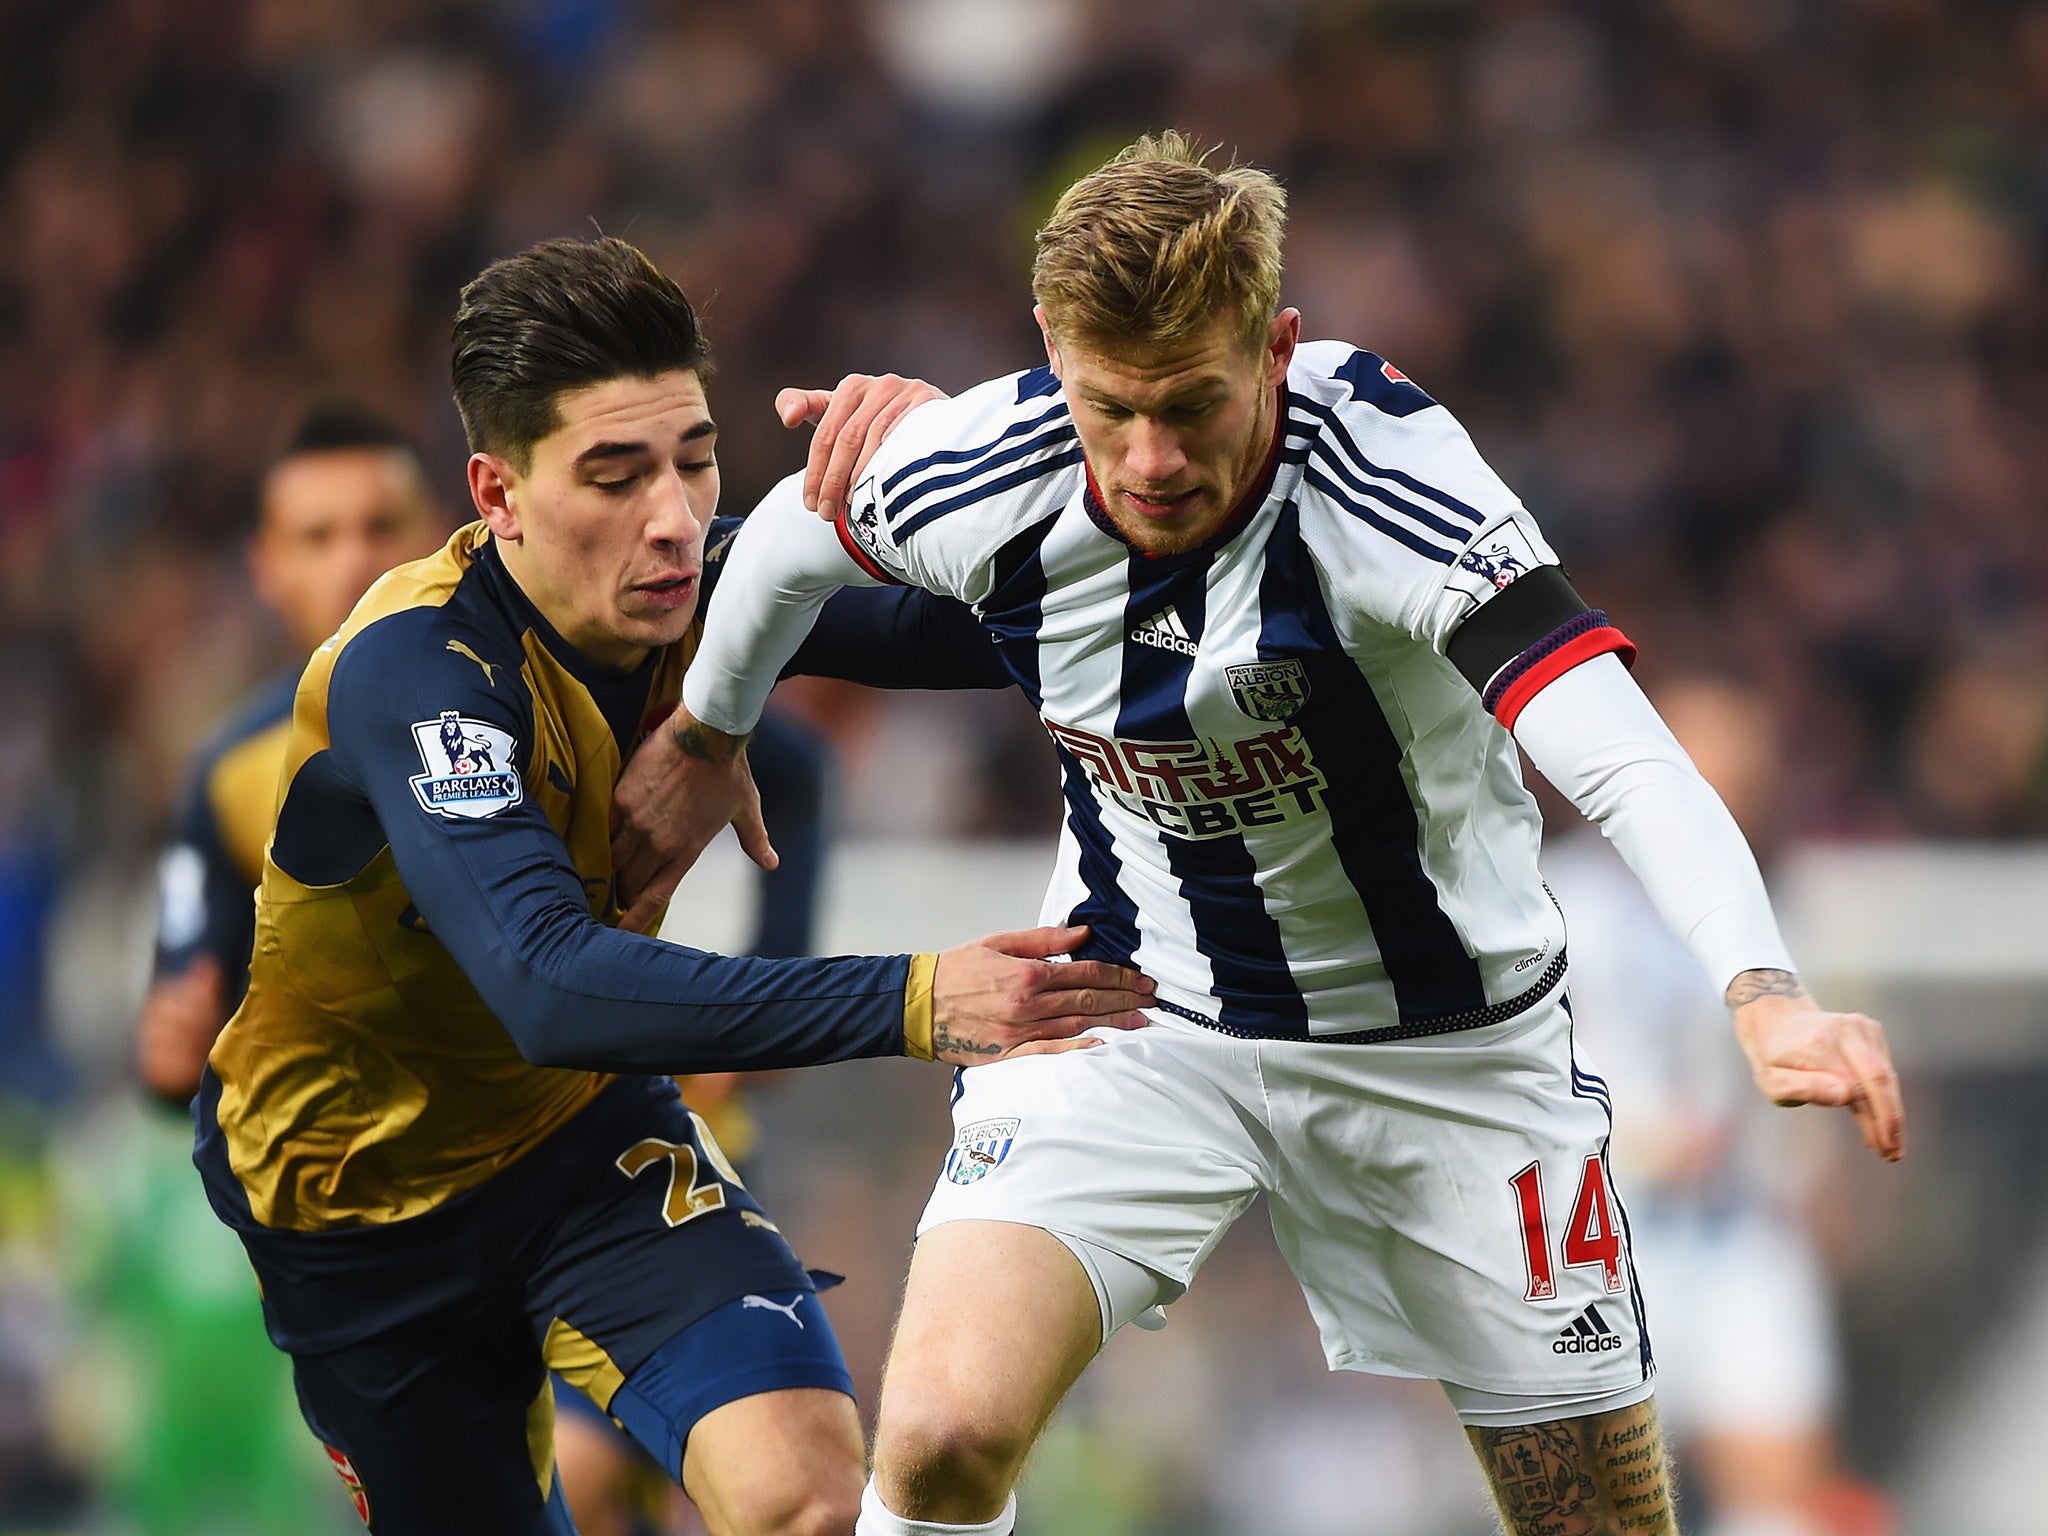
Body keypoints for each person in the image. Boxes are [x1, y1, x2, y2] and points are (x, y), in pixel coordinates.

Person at [614, 134, 1907, 1536]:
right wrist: (705, 732)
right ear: (1050, 352)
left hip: (1451, 1053)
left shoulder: (1395, 490)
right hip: (1139, 1011)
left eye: (1195, 405)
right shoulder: (987, 462)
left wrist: (1765, 997)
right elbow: (795, 551)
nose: (1152, 459)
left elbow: (1623, 756)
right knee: (935, 1440)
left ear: (1278, 349)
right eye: (1111, 408)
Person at [193, 234, 1152, 1536]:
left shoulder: (709, 583)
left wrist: (974, 447)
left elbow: (1001, 623)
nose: (673, 519)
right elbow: (544, 982)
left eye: (693, 461)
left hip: (586, 1145)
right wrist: (920, 997)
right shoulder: (412, 672)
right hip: (357, 1208)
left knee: (807, 1499)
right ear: (498, 494)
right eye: (614, 474)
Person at [1544, 678, 1887, 1536]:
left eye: (1738, 771)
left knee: (1783, 1495)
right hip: (1590, 1240)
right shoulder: (1551, 899)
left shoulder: (1772, 916)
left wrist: (1812, 1180)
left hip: (1736, 1230)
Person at [142, 404, 444, 1102]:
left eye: (380, 527)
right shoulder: (228, 775)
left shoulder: (543, 691)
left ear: (438, 534)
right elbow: (182, 1013)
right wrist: (175, 1051)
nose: (356, 561)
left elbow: (741, 767)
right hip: (375, 1185)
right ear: (267, 566)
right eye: (318, 537)